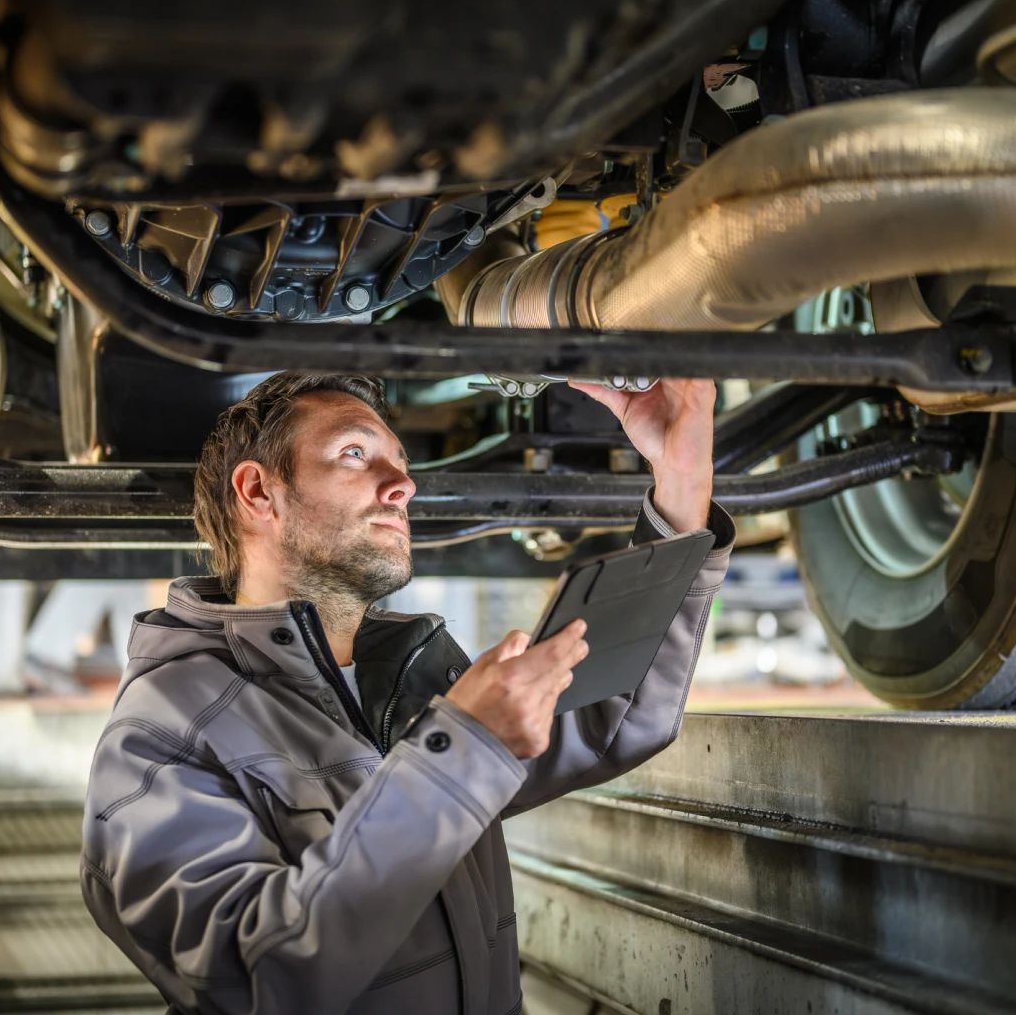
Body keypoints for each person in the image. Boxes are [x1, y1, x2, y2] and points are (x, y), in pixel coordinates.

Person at [80, 372, 734, 1015]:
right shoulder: (166, 727)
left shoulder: (409, 673)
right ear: (257, 492)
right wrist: (461, 752)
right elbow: (254, 978)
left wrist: (680, 484)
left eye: (400, 460)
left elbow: (614, 718)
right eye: (356, 454)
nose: (403, 486)